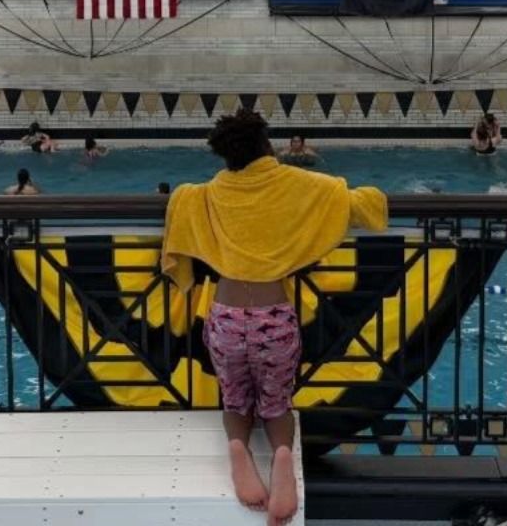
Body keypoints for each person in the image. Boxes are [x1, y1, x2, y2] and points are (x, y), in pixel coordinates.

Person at [162, 109, 387, 525]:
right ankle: (282, 459)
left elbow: (181, 205)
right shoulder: (297, 185)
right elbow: (360, 204)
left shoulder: (206, 194)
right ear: (267, 147)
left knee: (234, 398)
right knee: (277, 403)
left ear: (225, 156)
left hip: (226, 317)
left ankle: (237, 451)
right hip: (275, 318)